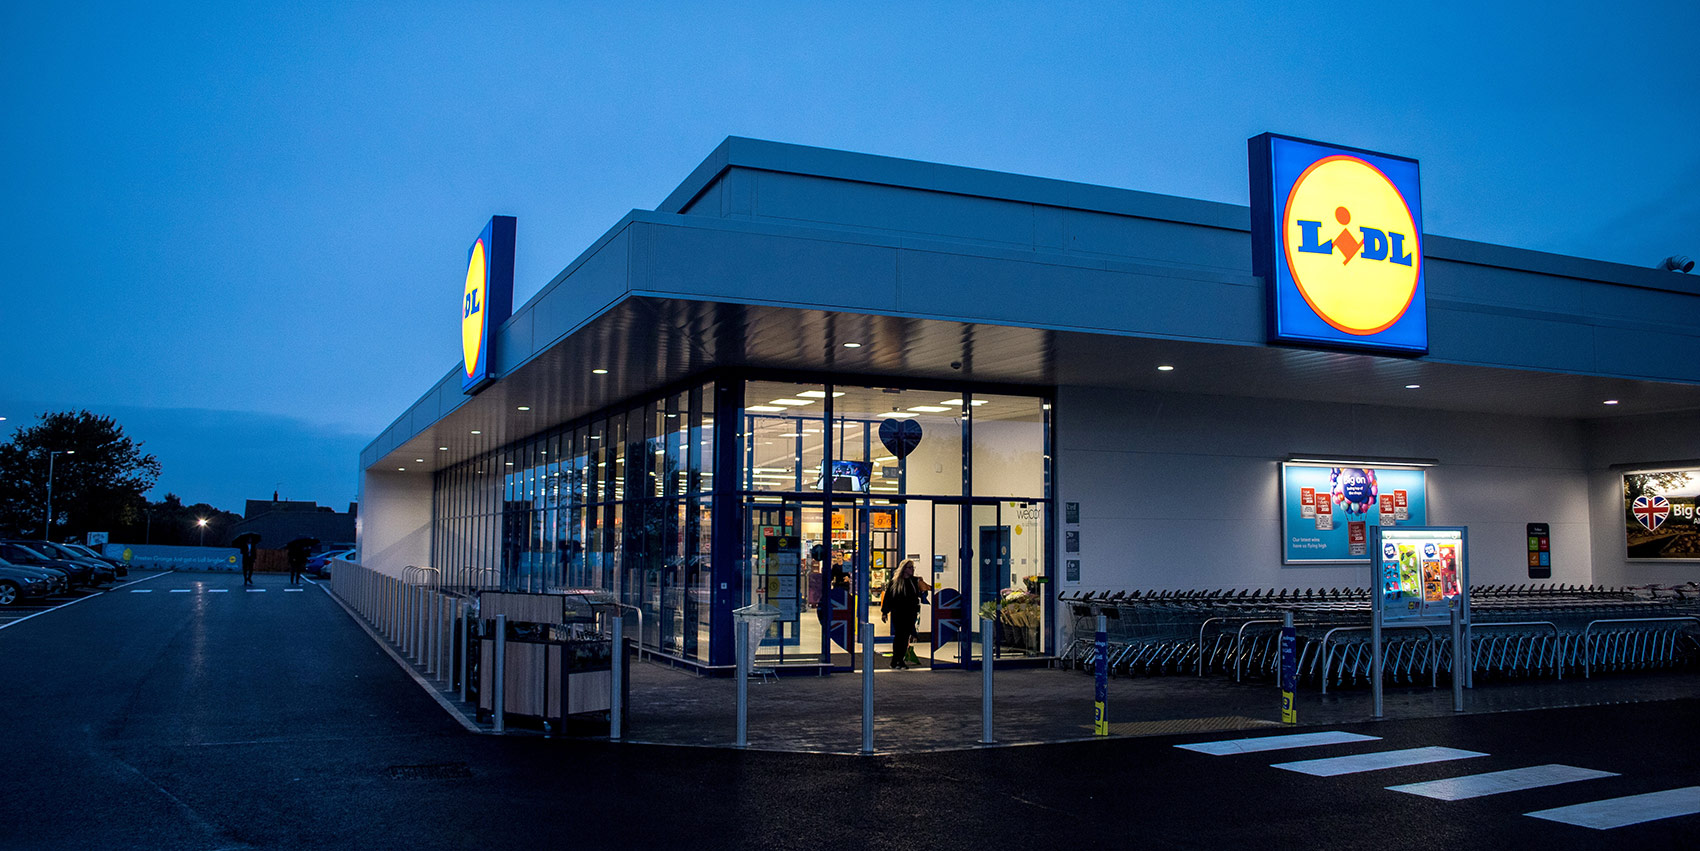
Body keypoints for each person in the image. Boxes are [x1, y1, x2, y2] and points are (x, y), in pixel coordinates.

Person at [879, 559, 931, 669]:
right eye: (910, 567)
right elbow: (889, 598)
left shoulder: (914, 581)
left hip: (910, 613)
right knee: (899, 637)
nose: (912, 570)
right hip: (898, 613)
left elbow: (924, 591)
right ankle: (896, 660)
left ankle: (898, 660)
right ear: (904, 569)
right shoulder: (895, 582)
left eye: (913, 568)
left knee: (905, 637)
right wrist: (884, 612)